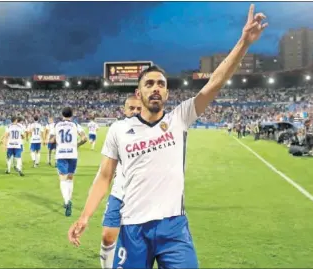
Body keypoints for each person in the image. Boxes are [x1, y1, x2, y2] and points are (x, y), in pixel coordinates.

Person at [68, 5, 267, 268]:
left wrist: (243, 42)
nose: (155, 88)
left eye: (161, 84)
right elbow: (105, 176)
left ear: (167, 94)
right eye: (149, 84)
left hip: (174, 229)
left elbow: (215, 82)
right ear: (138, 94)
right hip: (132, 229)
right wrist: (84, 217)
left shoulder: (180, 118)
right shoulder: (119, 130)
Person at [99, 95, 142, 268]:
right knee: (107, 236)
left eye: (139, 108)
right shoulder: (117, 129)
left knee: (136, 242)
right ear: (124, 110)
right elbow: (106, 168)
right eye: (131, 108)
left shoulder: (152, 131)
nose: (135, 112)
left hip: (141, 197)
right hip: (119, 192)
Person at [49, 107, 87, 216]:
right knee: (70, 178)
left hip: (61, 154)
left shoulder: (57, 125)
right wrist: (77, 145)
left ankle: (66, 201)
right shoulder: (75, 125)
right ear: (72, 114)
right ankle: (69, 198)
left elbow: (51, 140)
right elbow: (84, 138)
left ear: (62, 114)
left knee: (62, 178)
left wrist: (56, 141)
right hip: (72, 153)